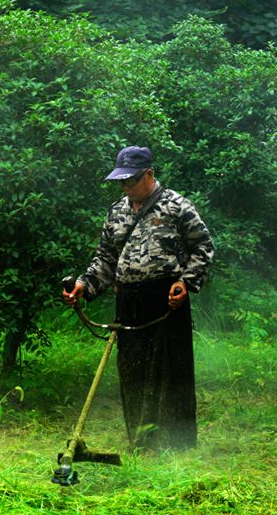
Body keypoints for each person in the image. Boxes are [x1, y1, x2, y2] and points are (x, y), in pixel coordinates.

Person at [63, 146, 214, 450]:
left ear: (149, 175)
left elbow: (203, 247)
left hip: (167, 301)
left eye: (131, 180)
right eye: (122, 182)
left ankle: (178, 444)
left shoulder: (177, 206)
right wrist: (83, 284)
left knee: (171, 372)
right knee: (133, 371)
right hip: (129, 301)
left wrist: (185, 282)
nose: (126, 187)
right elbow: (106, 259)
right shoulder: (117, 211)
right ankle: (142, 441)